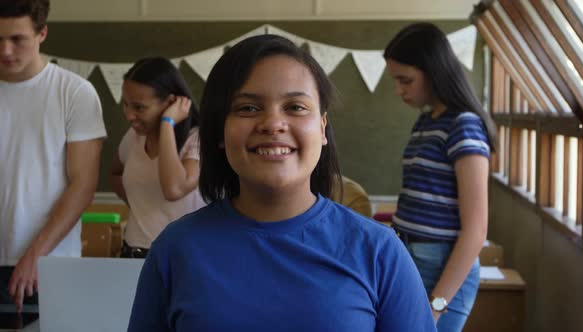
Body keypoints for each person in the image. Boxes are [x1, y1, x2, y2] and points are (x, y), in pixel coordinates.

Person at [128, 34, 436, 332]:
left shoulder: (379, 250)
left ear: (322, 127)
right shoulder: (175, 248)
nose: (273, 124)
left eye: (295, 107)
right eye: (248, 108)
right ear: (220, 131)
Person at [384, 22, 497, 331]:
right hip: (408, 255)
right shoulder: (424, 122)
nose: (399, 91)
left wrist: (437, 305)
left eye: (405, 80)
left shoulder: (464, 125)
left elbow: (476, 230)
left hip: (443, 268)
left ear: (433, 71)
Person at [0, 0, 106, 312]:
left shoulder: (74, 92)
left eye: (17, 39)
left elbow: (83, 184)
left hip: (48, 262)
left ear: (42, 33)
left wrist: (36, 254)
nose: (6, 51)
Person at [109, 57, 205, 258]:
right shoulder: (133, 138)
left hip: (184, 257)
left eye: (139, 107)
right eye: (126, 104)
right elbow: (114, 173)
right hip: (135, 253)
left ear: (171, 102)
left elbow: (174, 189)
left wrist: (167, 123)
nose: (129, 115)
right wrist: (138, 204)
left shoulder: (196, 139)